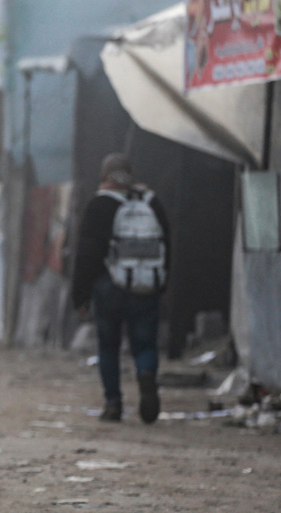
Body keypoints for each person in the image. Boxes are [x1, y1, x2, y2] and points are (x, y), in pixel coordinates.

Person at [71, 153, 171, 424]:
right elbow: (167, 246)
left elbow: (86, 255)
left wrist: (80, 296)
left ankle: (113, 404)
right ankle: (146, 374)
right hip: (146, 288)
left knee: (108, 346)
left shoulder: (99, 205)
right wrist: (161, 285)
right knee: (145, 344)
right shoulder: (152, 202)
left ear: (104, 176)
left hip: (109, 288)